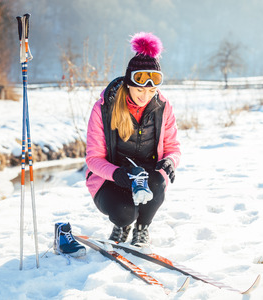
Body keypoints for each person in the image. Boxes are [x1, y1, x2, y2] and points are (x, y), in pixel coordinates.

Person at [53, 32, 180, 256]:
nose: (146, 96)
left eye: (151, 90)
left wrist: (170, 161)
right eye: (140, 89)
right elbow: (93, 159)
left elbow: (173, 148)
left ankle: (142, 230)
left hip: (147, 177)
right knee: (125, 213)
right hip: (110, 178)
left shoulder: (163, 107)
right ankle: (123, 226)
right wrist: (119, 174)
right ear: (129, 83)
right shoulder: (104, 108)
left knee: (158, 182)